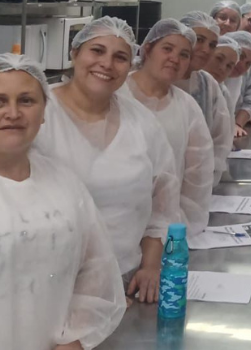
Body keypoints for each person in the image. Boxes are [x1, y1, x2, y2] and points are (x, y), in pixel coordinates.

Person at [0, 54, 126, 350]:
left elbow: (97, 271)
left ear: (44, 112)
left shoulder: (64, 183)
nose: (13, 113)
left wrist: (76, 340)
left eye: (27, 100)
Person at [34, 17, 181, 305]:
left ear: (130, 66)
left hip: (123, 280)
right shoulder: (38, 113)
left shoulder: (141, 122)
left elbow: (163, 203)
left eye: (120, 57)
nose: (107, 64)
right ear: (74, 53)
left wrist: (151, 266)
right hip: (45, 283)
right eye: (97, 51)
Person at [123, 18, 215, 237]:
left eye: (184, 55)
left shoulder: (187, 107)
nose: (175, 58)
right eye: (167, 49)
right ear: (147, 50)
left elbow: (198, 175)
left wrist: (179, 227)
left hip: (165, 227)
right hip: (116, 223)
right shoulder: (117, 94)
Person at [177, 12, 234, 187]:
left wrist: (204, 182)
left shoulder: (207, 84)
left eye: (212, 44)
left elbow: (221, 139)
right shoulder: (157, 77)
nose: (205, 49)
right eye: (199, 40)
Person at [225, 30, 251, 137]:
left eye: (248, 63)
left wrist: (238, 123)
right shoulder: (212, 72)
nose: (242, 65)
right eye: (240, 56)